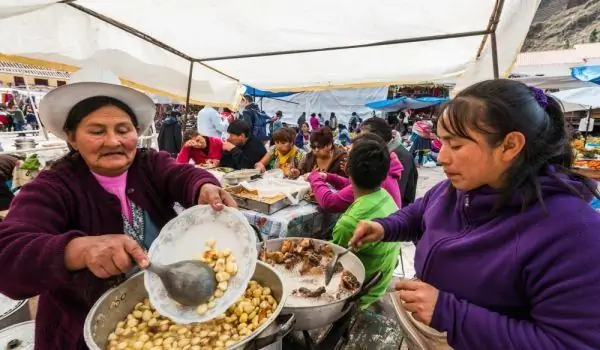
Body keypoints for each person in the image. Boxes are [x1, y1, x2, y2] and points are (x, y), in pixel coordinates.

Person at [349, 79, 600, 349]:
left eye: (455, 145)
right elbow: (420, 212)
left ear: (510, 145)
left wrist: (450, 314)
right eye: (440, 143)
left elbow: (569, 343)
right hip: (429, 322)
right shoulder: (461, 187)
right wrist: (385, 227)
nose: (442, 157)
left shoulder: (574, 233)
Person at [0, 67, 236, 349]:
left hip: (166, 313)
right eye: (97, 131)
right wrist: (79, 250)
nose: (113, 141)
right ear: (72, 137)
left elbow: (182, 175)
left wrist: (204, 187)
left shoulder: (149, 164)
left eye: (123, 130)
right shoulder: (53, 186)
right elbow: (8, 255)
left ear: (136, 132)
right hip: (87, 330)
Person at [331, 137, 400, 309]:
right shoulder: (385, 196)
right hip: (379, 283)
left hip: (360, 296)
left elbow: (332, 267)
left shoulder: (349, 224)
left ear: (347, 168)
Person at [308, 133, 402, 212]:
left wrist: (315, 177)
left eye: (351, 155)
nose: (348, 158)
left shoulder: (376, 180)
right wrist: (329, 177)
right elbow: (351, 184)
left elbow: (330, 202)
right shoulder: (380, 171)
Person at [362, 117, 418, 207]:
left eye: (365, 137)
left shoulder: (399, 156)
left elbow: (397, 195)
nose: (362, 142)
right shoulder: (383, 152)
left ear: (377, 136)